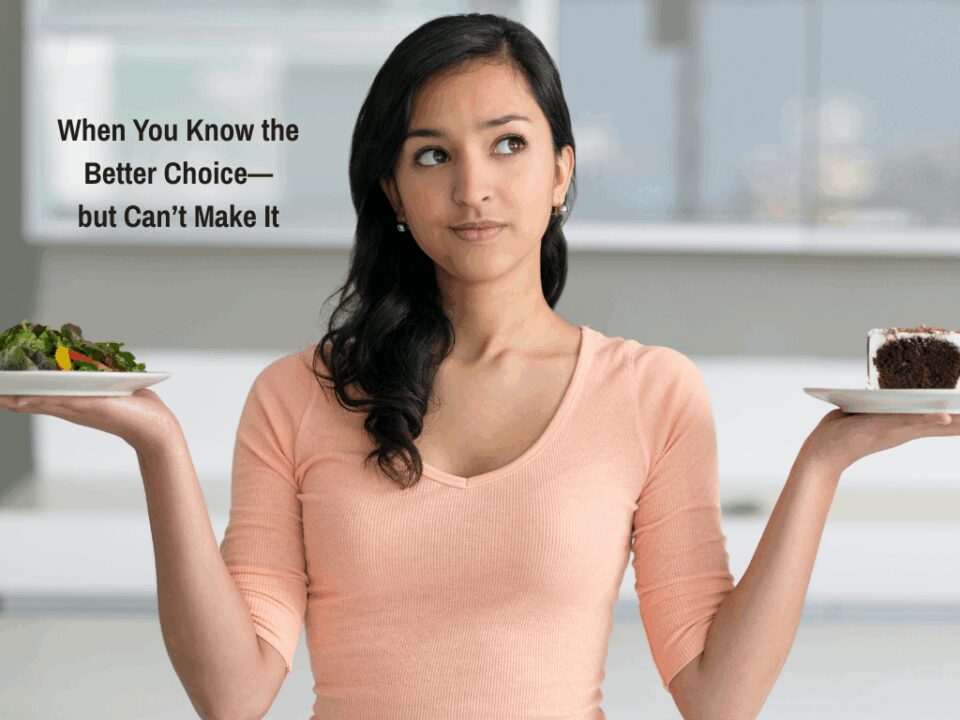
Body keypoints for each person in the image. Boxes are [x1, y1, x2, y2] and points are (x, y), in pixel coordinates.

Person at [2, 11, 958, 720]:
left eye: (509, 143)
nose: (475, 188)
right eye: (432, 155)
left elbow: (717, 694)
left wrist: (822, 462)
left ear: (561, 172)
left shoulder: (651, 392)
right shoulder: (296, 395)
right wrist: (159, 446)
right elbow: (233, 692)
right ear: (392, 190)